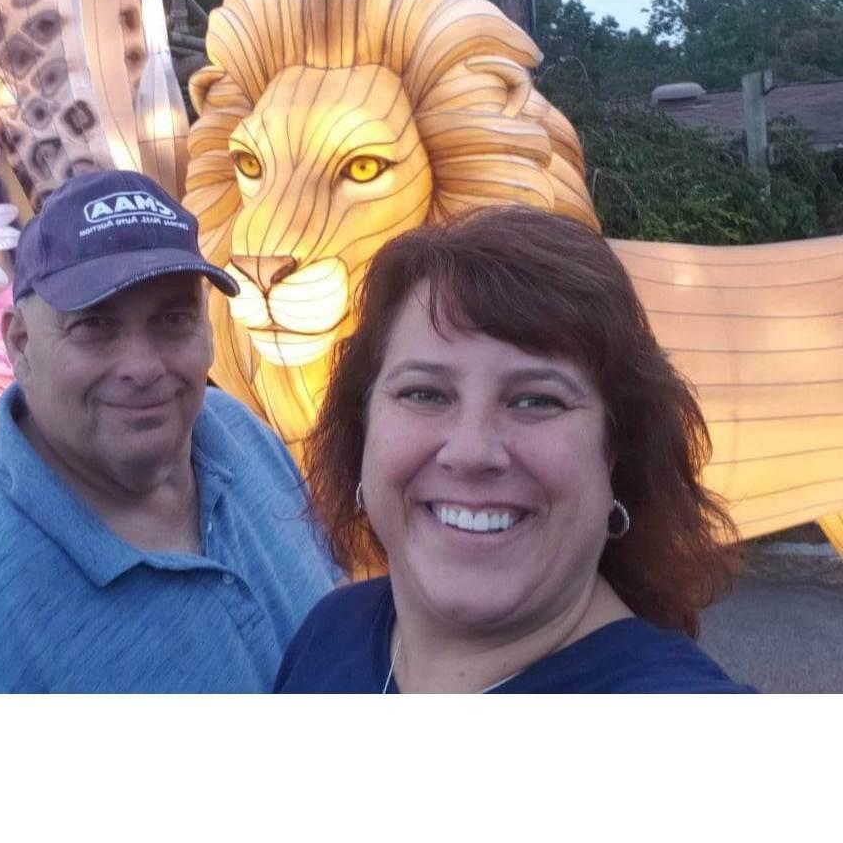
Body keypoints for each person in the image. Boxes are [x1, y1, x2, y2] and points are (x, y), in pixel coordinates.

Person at [0, 169, 339, 692]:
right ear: (20, 344)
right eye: (94, 325)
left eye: (173, 318)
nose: (142, 366)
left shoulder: (243, 440)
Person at [275, 205, 755, 693]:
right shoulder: (330, 633)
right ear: (364, 429)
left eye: (536, 400)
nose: (471, 452)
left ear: (616, 452)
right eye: (425, 394)